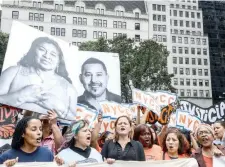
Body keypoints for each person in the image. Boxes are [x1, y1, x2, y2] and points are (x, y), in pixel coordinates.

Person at [0, 37, 77, 119]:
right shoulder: (13, 72)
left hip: (46, 131)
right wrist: (20, 96)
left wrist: (60, 108)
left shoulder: (69, 88)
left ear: (59, 61)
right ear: (33, 52)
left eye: (53, 54)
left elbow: (73, 121)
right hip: (8, 128)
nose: (47, 56)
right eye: (42, 50)